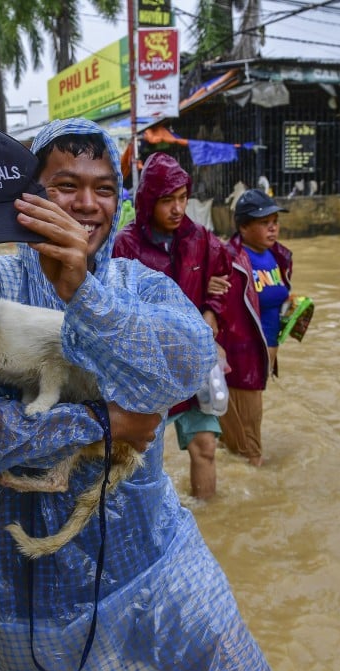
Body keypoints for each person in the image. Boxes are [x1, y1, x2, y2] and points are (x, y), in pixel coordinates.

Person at [0, 119, 272, 671]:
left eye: (103, 188)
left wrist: (86, 295)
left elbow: (188, 367)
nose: (86, 204)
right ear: (28, 197)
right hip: (28, 599)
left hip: (157, 562)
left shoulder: (139, 284)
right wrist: (102, 423)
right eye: (64, 186)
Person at [112, 152, 232, 500]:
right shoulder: (126, 244)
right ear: (149, 201)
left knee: (205, 446)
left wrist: (211, 311)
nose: (178, 209)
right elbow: (117, 308)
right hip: (148, 368)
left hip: (194, 364)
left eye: (182, 198)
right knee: (140, 457)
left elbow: (222, 276)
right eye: (168, 200)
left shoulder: (200, 239)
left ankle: (208, 520)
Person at [216, 189, 294, 467]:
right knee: (251, 448)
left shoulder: (279, 256)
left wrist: (292, 306)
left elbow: (273, 300)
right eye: (264, 222)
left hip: (264, 355)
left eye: (275, 221)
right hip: (241, 360)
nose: (273, 227)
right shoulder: (228, 259)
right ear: (243, 227)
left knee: (233, 435)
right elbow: (210, 303)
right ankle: (255, 497)